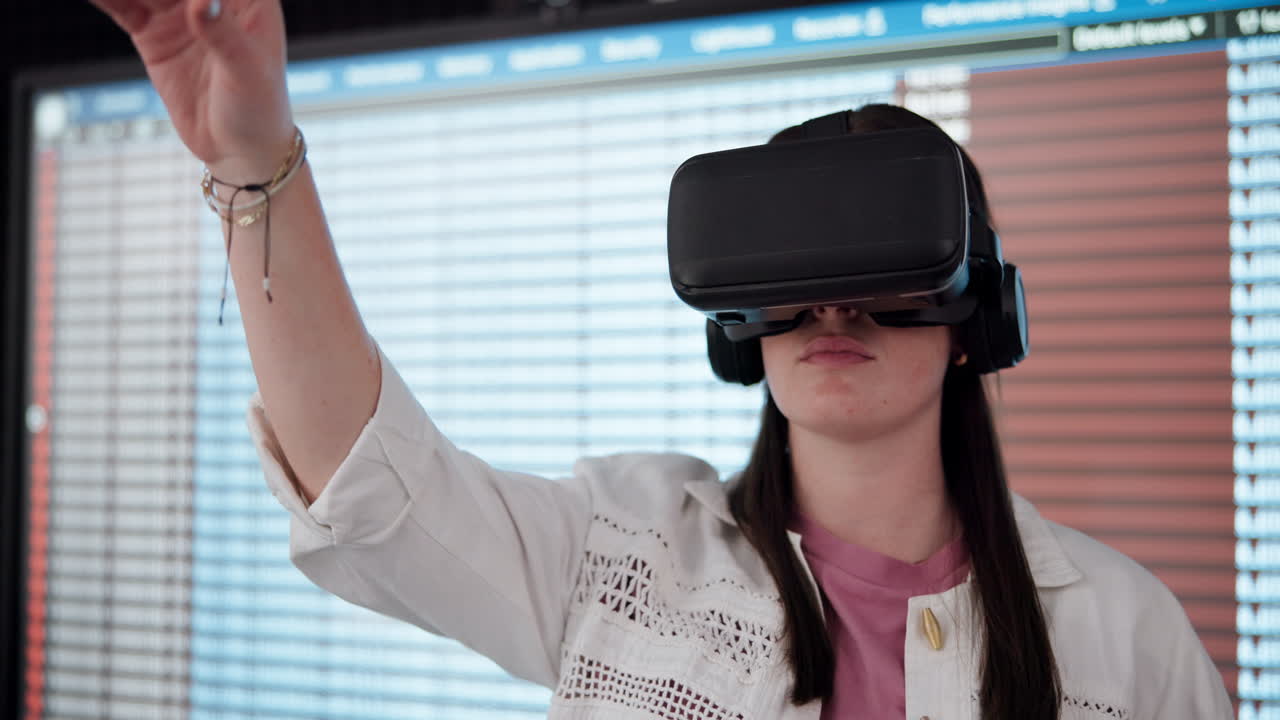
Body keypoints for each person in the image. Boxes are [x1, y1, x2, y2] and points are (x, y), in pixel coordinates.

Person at [88, 1, 1234, 718]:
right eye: (791, 273)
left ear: (975, 315)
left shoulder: (1125, 638)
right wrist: (253, 163)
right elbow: (368, 488)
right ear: (737, 314)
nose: (830, 306)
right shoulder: (618, 553)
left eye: (882, 270)